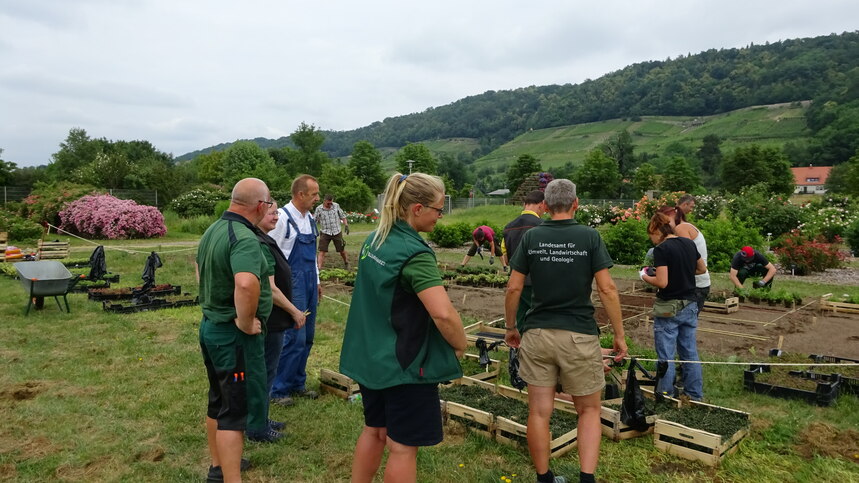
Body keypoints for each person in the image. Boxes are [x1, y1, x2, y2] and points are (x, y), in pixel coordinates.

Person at [340, 173, 467, 483]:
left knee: (376, 430)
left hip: (373, 356)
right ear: (417, 209)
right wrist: (460, 345)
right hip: (404, 362)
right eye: (438, 209)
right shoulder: (415, 254)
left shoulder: (376, 238)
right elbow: (443, 315)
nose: (441, 215)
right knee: (402, 447)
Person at [504, 179, 627, 483]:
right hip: (579, 335)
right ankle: (586, 479)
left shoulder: (532, 238)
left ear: (544, 206)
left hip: (537, 334)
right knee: (587, 410)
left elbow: (513, 287)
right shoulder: (589, 237)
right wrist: (619, 335)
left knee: (539, 412)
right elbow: (608, 289)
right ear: (576, 204)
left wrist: (511, 328)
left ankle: (544, 478)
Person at [196, 178, 272, 482]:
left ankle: (218, 466)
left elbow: (200, 269)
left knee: (218, 401)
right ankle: (230, 477)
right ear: (260, 206)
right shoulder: (243, 237)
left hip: (211, 329)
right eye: (268, 203)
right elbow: (246, 282)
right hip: (232, 336)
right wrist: (244, 320)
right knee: (234, 414)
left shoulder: (213, 230)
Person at [248, 201, 307, 442]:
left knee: (266, 372)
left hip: (273, 319)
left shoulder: (263, 240)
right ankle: (256, 427)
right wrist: (294, 311)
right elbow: (270, 289)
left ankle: (260, 418)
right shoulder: (260, 245)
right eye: (271, 214)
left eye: (276, 214)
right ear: (258, 214)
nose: (276, 218)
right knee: (263, 373)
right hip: (270, 319)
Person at [640, 211, 707, 401]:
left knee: (666, 353)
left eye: (651, 235)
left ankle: (666, 393)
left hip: (669, 307)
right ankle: (694, 394)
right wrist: (682, 271)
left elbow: (662, 282)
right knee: (689, 351)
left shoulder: (662, 249)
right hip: (690, 304)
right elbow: (702, 269)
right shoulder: (688, 243)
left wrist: (644, 276)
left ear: (656, 229)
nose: (652, 240)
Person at [269, 175, 322, 406]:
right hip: (293, 283)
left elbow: (313, 256)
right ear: (300, 195)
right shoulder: (282, 218)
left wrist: (318, 281)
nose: (317, 199)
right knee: (294, 337)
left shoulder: (309, 218)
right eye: (314, 194)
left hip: (310, 281)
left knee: (308, 336)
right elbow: (270, 252)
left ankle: (297, 383)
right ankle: (278, 389)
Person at [501, 190, 546, 331]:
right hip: (538, 283)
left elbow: (506, 258)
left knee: (521, 321)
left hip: (516, 283)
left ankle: (517, 351)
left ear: (525, 204)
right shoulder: (543, 226)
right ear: (541, 205)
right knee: (540, 322)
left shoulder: (508, 227)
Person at [667, 203, 711, 311]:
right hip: (698, 282)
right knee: (687, 324)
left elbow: (685, 256)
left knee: (682, 322)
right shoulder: (687, 226)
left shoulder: (681, 228)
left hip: (695, 284)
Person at [314, 194, 350, 270]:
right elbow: (314, 220)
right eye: (328, 203)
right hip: (325, 232)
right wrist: (312, 229)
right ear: (324, 201)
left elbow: (343, 216)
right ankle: (319, 268)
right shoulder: (319, 209)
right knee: (322, 251)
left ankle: (346, 263)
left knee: (341, 250)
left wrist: (346, 225)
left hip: (336, 231)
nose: (330, 205)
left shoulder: (336, 206)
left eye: (331, 203)